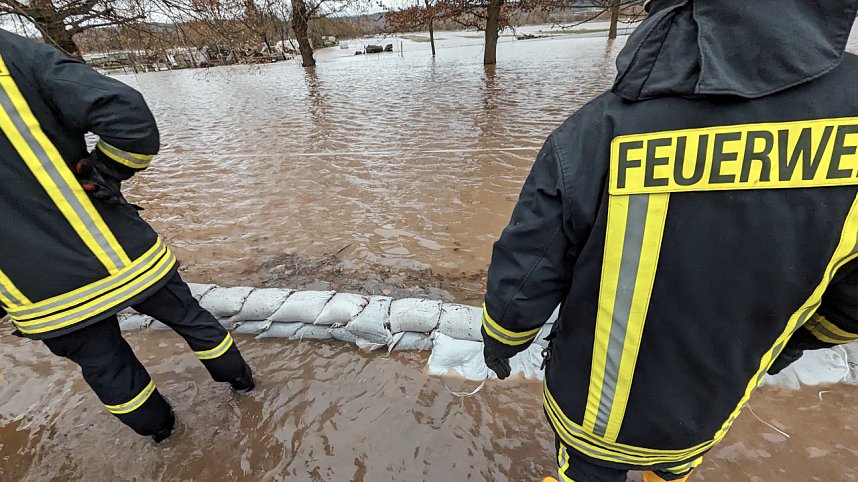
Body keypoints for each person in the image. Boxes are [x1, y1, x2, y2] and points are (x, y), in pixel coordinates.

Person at [480, 0, 858, 480]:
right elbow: (851, 303)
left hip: (595, 412)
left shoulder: (600, 129)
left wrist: (502, 340)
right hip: (705, 408)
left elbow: (528, 267)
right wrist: (780, 347)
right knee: (675, 466)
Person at [0, 31, 255, 443]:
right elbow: (128, 115)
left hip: (42, 298)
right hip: (122, 257)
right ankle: (246, 391)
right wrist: (103, 176)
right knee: (190, 319)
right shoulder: (10, 54)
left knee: (107, 368)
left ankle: (167, 440)